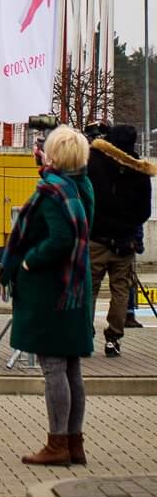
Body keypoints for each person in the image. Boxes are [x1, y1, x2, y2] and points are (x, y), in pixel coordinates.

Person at [0, 124, 94, 467]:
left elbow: (60, 239)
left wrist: (27, 262)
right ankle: (74, 442)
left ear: (54, 154)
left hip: (52, 290)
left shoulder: (54, 191)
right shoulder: (81, 186)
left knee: (53, 367)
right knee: (71, 367)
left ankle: (57, 444)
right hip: (74, 287)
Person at [87, 123, 155, 358]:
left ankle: (85, 333)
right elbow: (144, 211)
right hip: (125, 243)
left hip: (96, 238)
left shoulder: (94, 161)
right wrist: (127, 226)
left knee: (89, 289)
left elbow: (85, 194)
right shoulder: (139, 170)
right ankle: (113, 338)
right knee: (120, 291)